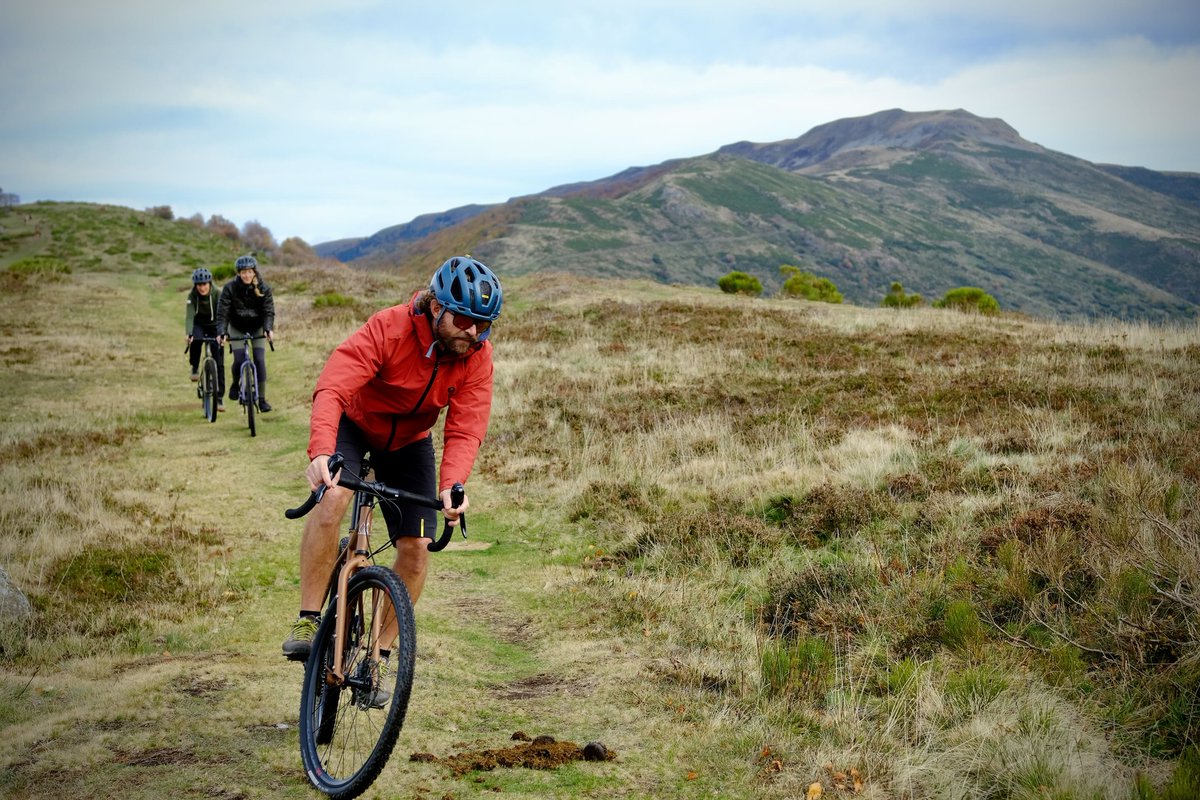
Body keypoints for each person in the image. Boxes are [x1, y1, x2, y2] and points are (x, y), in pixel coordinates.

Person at [282, 256, 503, 682]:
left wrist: (452, 486)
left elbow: (466, 428)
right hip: (356, 423)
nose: (473, 333)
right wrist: (321, 451)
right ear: (436, 307)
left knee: (417, 549)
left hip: (409, 442)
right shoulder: (390, 327)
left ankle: (377, 657)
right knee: (333, 498)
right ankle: (308, 618)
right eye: (463, 320)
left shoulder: (477, 356)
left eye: (484, 325)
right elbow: (334, 386)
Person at [216, 254, 276, 412]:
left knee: (259, 359)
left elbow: (268, 311)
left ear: (254, 272)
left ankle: (261, 399)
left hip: (257, 327)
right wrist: (222, 331)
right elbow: (223, 313)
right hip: (237, 327)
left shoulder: (263, 288)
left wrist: (268, 328)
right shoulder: (229, 288)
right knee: (239, 358)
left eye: (249, 271)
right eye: (243, 272)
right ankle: (235, 384)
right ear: (238, 273)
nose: (247, 275)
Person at [185, 267, 226, 412]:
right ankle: (195, 367)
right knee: (195, 340)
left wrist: (222, 333)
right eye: (199, 285)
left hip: (215, 325)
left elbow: (223, 314)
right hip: (199, 325)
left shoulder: (218, 294)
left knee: (219, 361)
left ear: (209, 283)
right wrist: (189, 333)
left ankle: (219, 398)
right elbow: (189, 316)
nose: (202, 288)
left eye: (204, 284)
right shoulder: (192, 295)